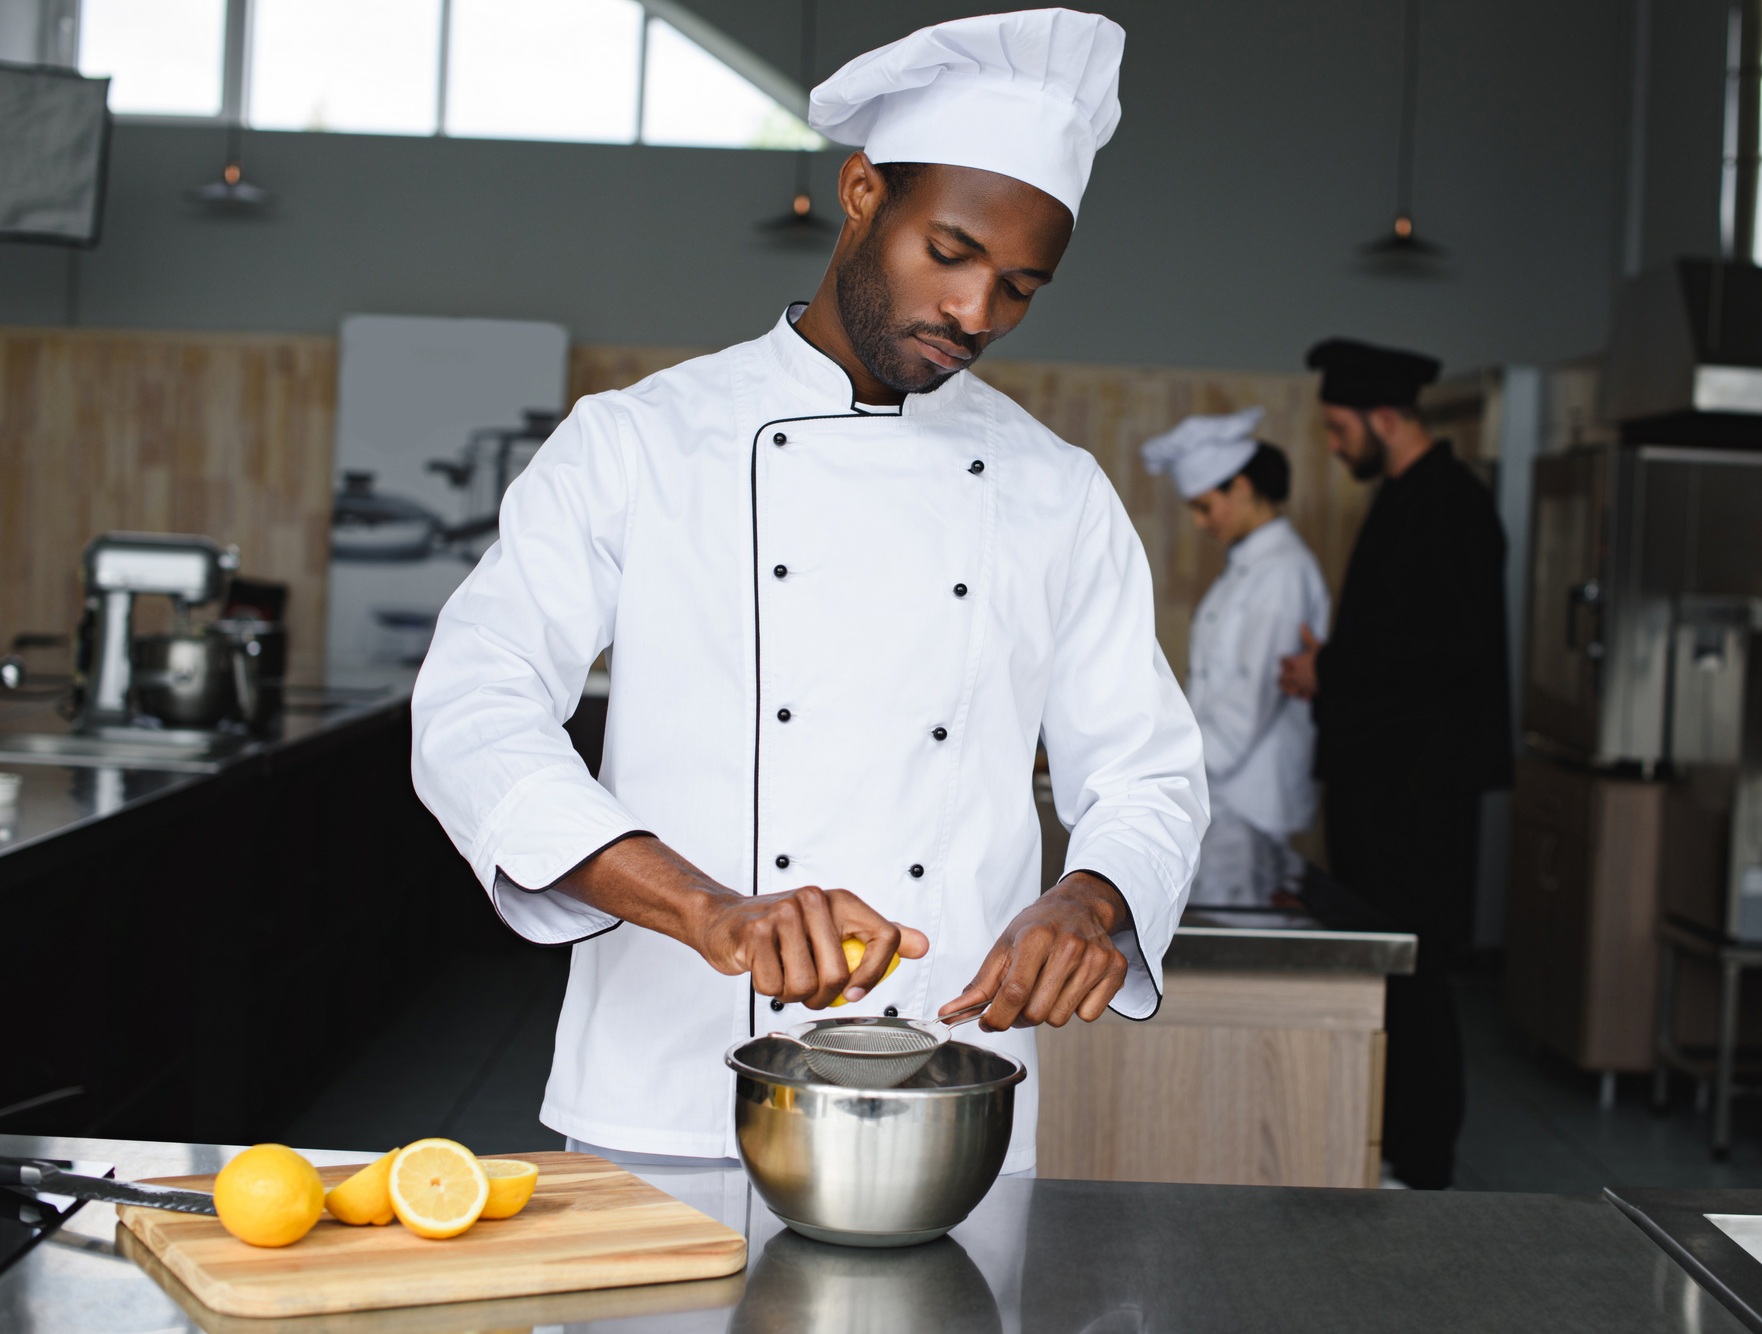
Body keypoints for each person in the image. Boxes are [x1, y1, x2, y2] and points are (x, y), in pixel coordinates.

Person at [410, 11, 1206, 1179]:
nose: (975, 313)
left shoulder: (1057, 490)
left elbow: (1146, 770)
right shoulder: (640, 441)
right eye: (949, 252)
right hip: (663, 1093)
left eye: (1018, 287)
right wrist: (707, 908)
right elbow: (475, 708)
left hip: (943, 1097)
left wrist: (1092, 899)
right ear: (860, 190)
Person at [1279, 336, 1512, 1189]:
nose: (1335, 446)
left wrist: (1328, 671)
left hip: (1420, 793)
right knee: (1393, 971)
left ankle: (1423, 1161)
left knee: (1415, 972)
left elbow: (1448, 650)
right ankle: (1396, 1147)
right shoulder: (1409, 498)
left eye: (1340, 429)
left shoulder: (1450, 504)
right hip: (1385, 784)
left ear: (1384, 417)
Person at [1141, 408, 1329, 908]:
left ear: (1240, 487)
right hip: (1227, 790)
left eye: (1204, 507)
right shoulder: (1250, 566)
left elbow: (1250, 699)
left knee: (1243, 932)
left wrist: (1173, 764)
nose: (1200, 522)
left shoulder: (1282, 572)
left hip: (1250, 799)